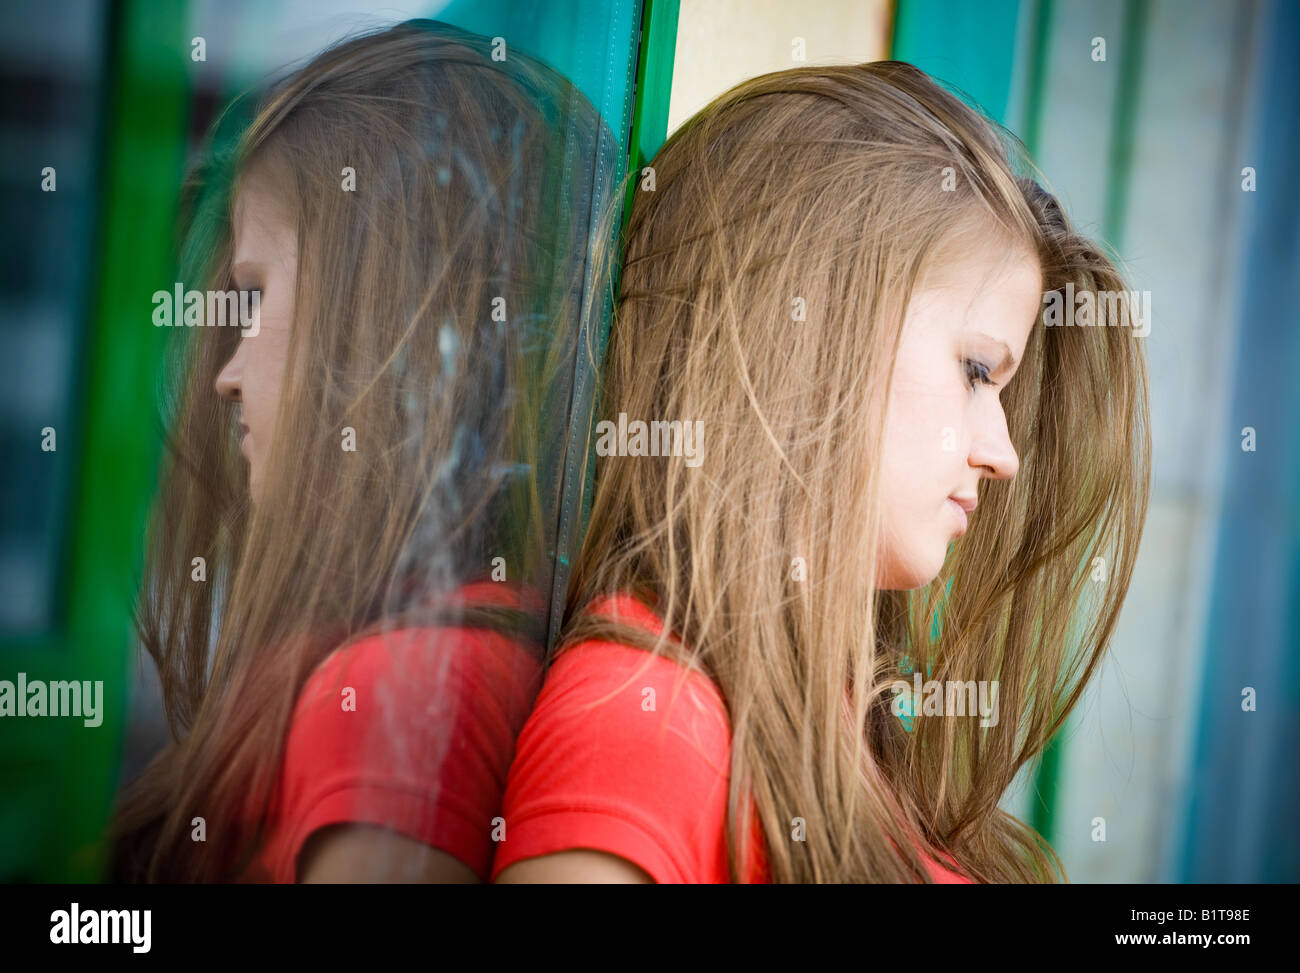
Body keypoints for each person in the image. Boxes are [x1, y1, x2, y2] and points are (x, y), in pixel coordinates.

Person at [492, 61, 1151, 883]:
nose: (1003, 452)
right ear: (807, 334)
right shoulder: (646, 717)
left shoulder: (837, 724)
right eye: (978, 371)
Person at [107, 19, 613, 882]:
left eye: (257, 295)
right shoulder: (452, 646)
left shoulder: (396, 685)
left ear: (381, 324)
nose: (226, 374)